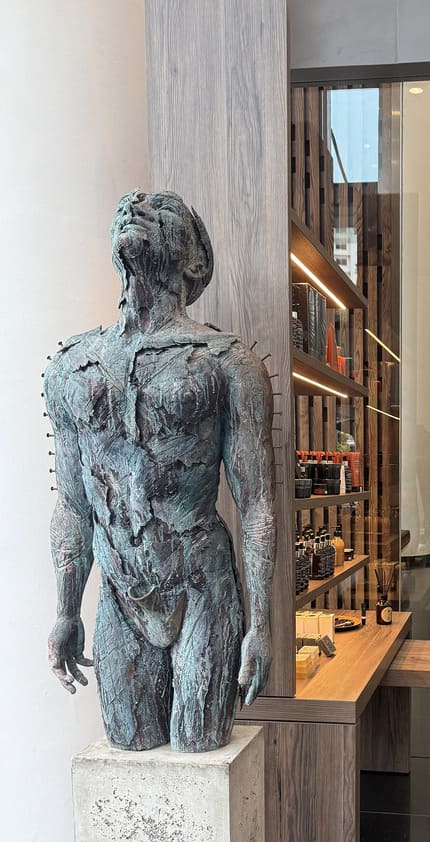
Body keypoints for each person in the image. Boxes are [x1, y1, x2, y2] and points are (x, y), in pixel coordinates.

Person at [45, 190, 278, 752]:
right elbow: (73, 504)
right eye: (127, 207)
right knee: (127, 744)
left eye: (162, 211)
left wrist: (262, 625)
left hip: (201, 584)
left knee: (201, 746)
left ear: (194, 261)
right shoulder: (72, 367)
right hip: (120, 589)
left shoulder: (228, 363)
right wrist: (65, 611)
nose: (135, 209)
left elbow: (257, 505)